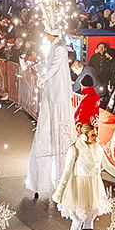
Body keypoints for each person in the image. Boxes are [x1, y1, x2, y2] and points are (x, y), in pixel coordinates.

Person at [52, 122, 115, 230]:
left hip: (94, 186)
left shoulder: (98, 148)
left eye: (95, 134)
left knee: (90, 218)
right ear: (84, 136)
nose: (95, 137)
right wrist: (59, 191)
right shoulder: (74, 150)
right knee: (78, 219)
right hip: (79, 187)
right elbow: (66, 172)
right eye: (92, 135)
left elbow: (108, 166)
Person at [25, 25, 74, 199]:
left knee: (59, 131)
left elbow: (53, 67)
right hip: (51, 94)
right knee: (45, 130)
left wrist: (43, 77)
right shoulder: (56, 46)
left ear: (48, 33)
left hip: (58, 95)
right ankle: (42, 180)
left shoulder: (60, 48)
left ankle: (60, 180)